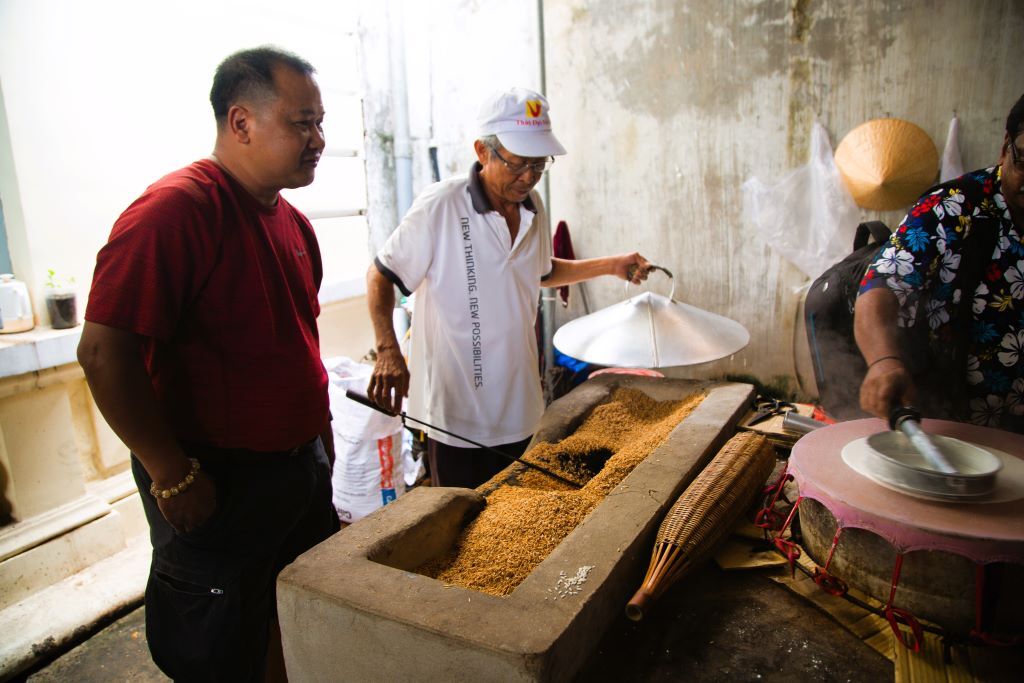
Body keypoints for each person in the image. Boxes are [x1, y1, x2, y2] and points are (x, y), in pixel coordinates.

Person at [77, 46, 340, 682]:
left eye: (320, 123)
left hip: (297, 470)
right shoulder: (175, 211)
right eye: (301, 124)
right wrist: (170, 471)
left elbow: (297, 345)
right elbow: (103, 352)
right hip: (217, 479)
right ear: (241, 122)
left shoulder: (293, 224)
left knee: (297, 624)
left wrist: (320, 441)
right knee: (218, 643)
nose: (318, 141)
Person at [366, 87, 651, 488]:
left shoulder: (534, 205)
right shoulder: (441, 206)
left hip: (520, 406)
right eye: (518, 163)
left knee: (515, 510)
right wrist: (387, 350)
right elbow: (380, 275)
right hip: (458, 415)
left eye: (539, 164)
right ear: (482, 151)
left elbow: (541, 273)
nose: (529, 176)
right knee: (460, 518)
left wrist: (611, 266)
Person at [855, 93, 1024, 431]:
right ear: (1006, 147)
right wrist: (884, 361)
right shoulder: (952, 209)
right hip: (947, 426)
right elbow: (883, 282)